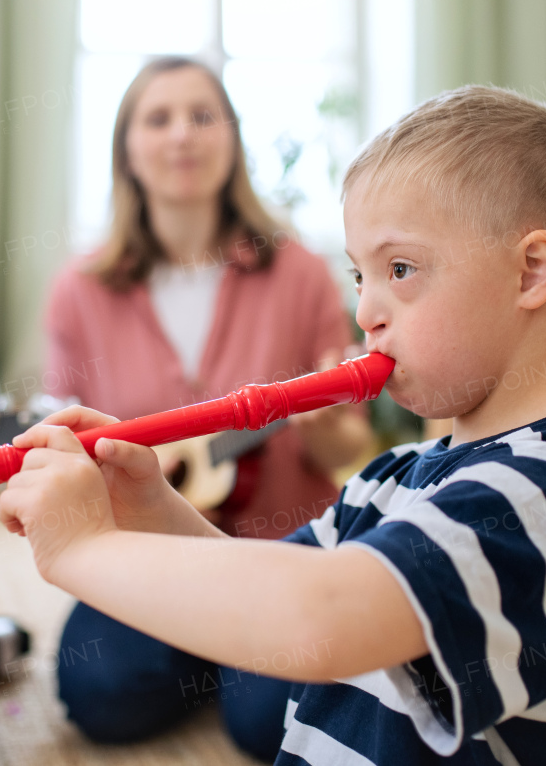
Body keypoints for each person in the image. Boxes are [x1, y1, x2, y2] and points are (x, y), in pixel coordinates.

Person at [0, 85, 546, 765]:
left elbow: (321, 618)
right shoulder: (396, 476)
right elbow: (258, 576)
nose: (366, 313)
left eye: (400, 268)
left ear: (531, 270)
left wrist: (80, 547)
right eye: (361, 277)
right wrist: (152, 505)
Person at [44, 57, 373, 759]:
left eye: (203, 115)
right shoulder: (80, 288)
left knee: (266, 727)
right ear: (126, 147)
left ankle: (228, 660)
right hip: (148, 556)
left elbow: (345, 452)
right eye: (157, 118)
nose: (182, 135)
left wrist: (325, 427)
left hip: (282, 551)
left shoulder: (301, 271)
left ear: (233, 139)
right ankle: (222, 655)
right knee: (95, 692)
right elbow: (62, 442)